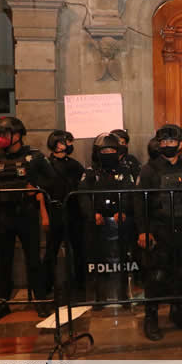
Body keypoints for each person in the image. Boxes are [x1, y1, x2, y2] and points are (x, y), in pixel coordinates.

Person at [0, 117, 55, 320]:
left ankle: (40, 302)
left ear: (18, 135)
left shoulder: (35, 156)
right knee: (3, 261)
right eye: (0, 134)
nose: (1, 138)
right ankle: (2, 303)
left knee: (33, 260)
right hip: (4, 215)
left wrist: (36, 187)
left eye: (5, 133)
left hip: (28, 215)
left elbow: (52, 180)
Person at [136, 125, 182, 341]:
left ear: (180, 144)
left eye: (171, 142)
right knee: (156, 275)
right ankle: (151, 318)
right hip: (160, 228)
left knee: (181, 272)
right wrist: (143, 231)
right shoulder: (149, 169)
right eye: (163, 142)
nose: (167, 146)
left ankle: (177, 312)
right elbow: (139, 203)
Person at [78, 133, 136, 310]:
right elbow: (82, 196)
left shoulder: (125, 171)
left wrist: (123, 210)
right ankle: (99, 298)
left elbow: (129, 193)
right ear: (97, 152)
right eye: (104, 150)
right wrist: (92, 213)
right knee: (97, 261)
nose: (108, 152)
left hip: (120, 223)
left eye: (111, 149)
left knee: (123, 260)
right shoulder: (89, 172)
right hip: (97, 224)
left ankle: (123, 295)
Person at [43, 130, 86, 292]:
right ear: (58, 144)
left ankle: (81, 284)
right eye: (67, 142)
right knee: (51, 250)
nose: (70, 145)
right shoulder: (46, 164)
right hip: (55, 212)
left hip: (74, 212)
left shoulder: (74, 165)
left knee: (79, 248)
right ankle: (46, 285)